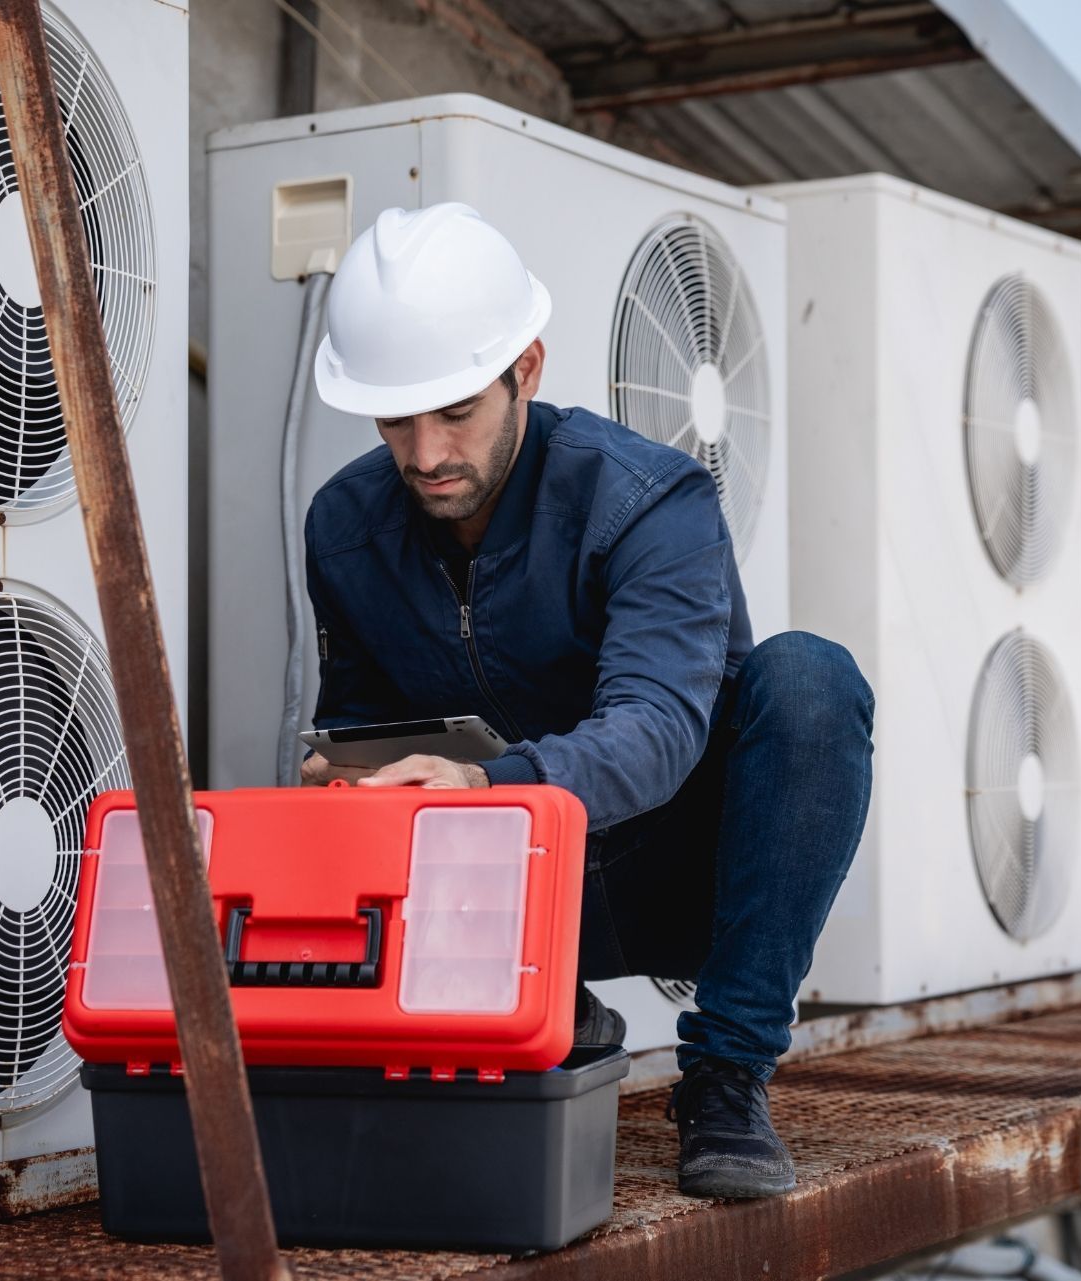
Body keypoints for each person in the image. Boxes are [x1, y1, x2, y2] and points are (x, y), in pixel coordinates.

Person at [300, 203, 874, 1200]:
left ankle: (728, 1079)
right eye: (397, 418)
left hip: (680, 874)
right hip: (515, 904)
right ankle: (548, 1018)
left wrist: (486, 782)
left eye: (456, 410)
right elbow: (360, 722)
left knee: (813, 679)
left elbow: (655, 731)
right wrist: (344, 773)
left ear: (527, 369)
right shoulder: (344, 527)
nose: (426, 452)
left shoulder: (651, 501)